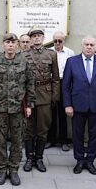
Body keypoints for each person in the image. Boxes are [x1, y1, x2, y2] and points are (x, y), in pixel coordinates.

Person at [0, 33, 35, 186]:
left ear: (17, 45)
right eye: (8, 42)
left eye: (13, 42)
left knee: (17, 141)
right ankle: (1, 170)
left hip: (18, 108)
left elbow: (30, 84)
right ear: (3, 45)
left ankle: (13, 170)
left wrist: (29, 105)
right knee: (0, 141)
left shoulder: (24, 62)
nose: (11, 45)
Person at [62, 36, 96, 175]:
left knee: (94, 135)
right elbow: (65, 86)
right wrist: (67, 105)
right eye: (86, 44)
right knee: (77, 134)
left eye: (92, 45)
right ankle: (79, 160)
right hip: (77, 106)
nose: (89, 47)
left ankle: (90, 161)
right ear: (82, 46)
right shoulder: (72, 61)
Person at [23, 26, 60, 173]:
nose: (37, 38)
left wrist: (54, 97)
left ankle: (39, 158)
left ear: (43, 38)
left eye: (39, 35)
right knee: (28, 129)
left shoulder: (51, 55)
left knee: (42, 129)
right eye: (34, 36)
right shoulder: (24, 55)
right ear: (30, 39)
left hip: (45, 95)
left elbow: (56, 78)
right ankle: (29, 158)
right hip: (28, 95)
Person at [49, 31, 75, 151]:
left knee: (63, 114)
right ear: (52, 41)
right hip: (51, 84)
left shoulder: (70, 53)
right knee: (51, 113)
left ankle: (64, 141)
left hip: (65, 83)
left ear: (63, 41)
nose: (57, 43)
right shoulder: (48, 52)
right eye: (55, 41)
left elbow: (73, 70)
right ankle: (51, 140)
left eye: (60, 41)